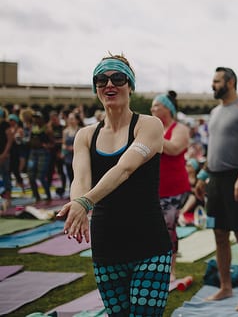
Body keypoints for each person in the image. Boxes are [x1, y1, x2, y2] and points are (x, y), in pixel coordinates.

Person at [57, 54, 172, 316]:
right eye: (101, 79)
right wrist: (77, 204)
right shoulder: (85, 135)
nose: (109, 84)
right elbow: (81, 179)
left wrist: (86, 201)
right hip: (107, 246)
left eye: (117, 78)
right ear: (96, 88)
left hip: (149, 245)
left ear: (130, 85)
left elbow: (125, 168)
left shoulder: (150, 126)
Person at [194, 67, 238, 312]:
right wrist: (202, 176)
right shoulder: (214, 112)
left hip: (236, 178)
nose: (213, 85)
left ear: (230, 82)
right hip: (215, 180)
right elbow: (213, 148)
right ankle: (225, 286)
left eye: (216, 81)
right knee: (219, 234)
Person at [151, 90, 192, 282]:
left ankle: (171, 269)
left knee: (168, 229)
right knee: (153, 230)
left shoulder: (179, 128)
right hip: (154, 188)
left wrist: (150, 137)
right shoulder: (152, 129)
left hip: (174, 187)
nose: (152, 109)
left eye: (156, 105)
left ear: (167, 108)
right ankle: (156, 266)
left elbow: (175, 148)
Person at [27, 111, 54, 201]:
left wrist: (46, 146)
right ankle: (36, 196)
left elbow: (52, 143)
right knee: (30, 175)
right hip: (33, 152)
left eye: (37, 118)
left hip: (43, 153)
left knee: (41, 176)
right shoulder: (33, 128)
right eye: (34, 118)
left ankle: (48, 195)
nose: (35, 120)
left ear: (42, 119)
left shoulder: (47, 129)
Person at [60, 111, 84, 198]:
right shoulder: (65, 131)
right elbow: (63, 143)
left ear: (77, 120)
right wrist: (63, 151)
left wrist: (75, 148)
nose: (70, 121)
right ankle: (72, 193)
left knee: (78, 176)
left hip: (79, 156)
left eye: (72, 119)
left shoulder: (81, 130)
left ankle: (80, 193)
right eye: (69, 119)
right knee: (70, 176)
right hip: (68, 157)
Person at [0, 108, 14, 205]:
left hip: (4, 154)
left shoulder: (5, 125)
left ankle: (8, 198)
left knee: (5, 175)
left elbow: (10, 140)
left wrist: (4, 154)